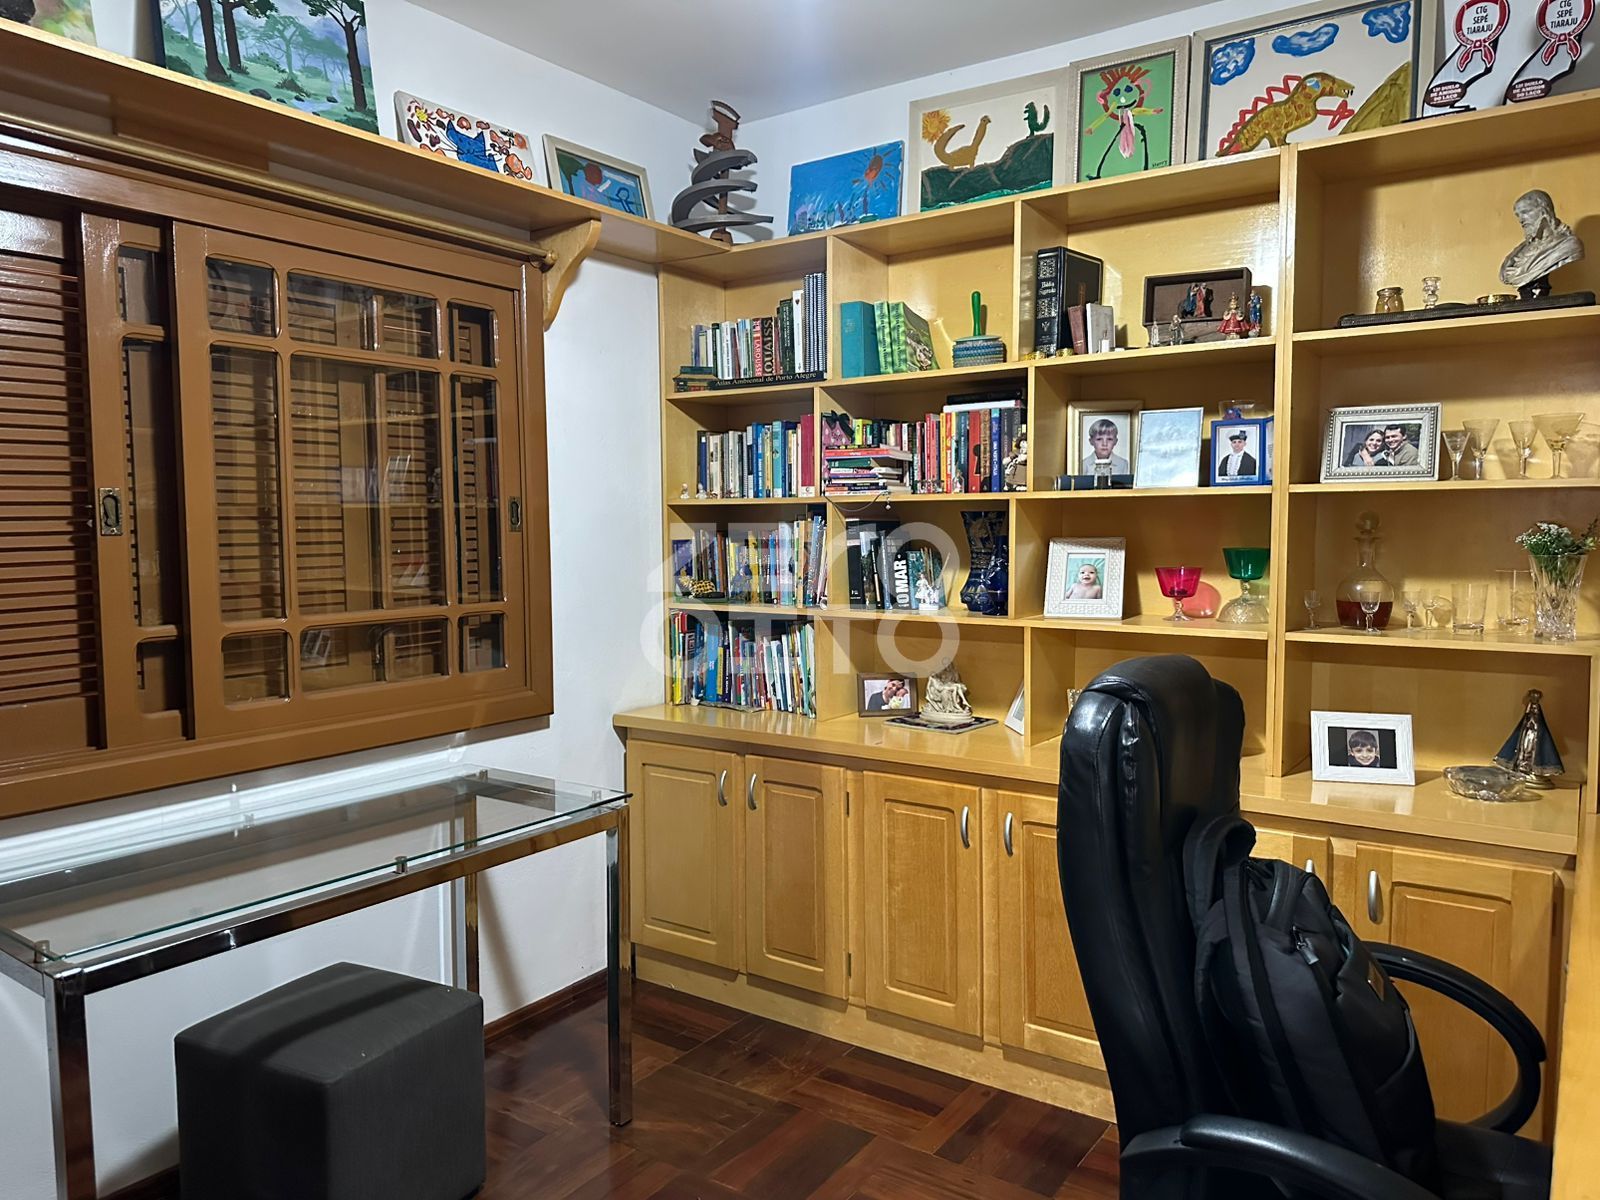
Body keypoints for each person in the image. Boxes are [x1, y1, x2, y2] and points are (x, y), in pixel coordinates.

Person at [1500, 188, 1584, 297]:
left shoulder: (1568, 245)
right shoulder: (1519, 251)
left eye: (1525, 212)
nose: (1521, 220)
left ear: (1544, 211)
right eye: (1518, 215)